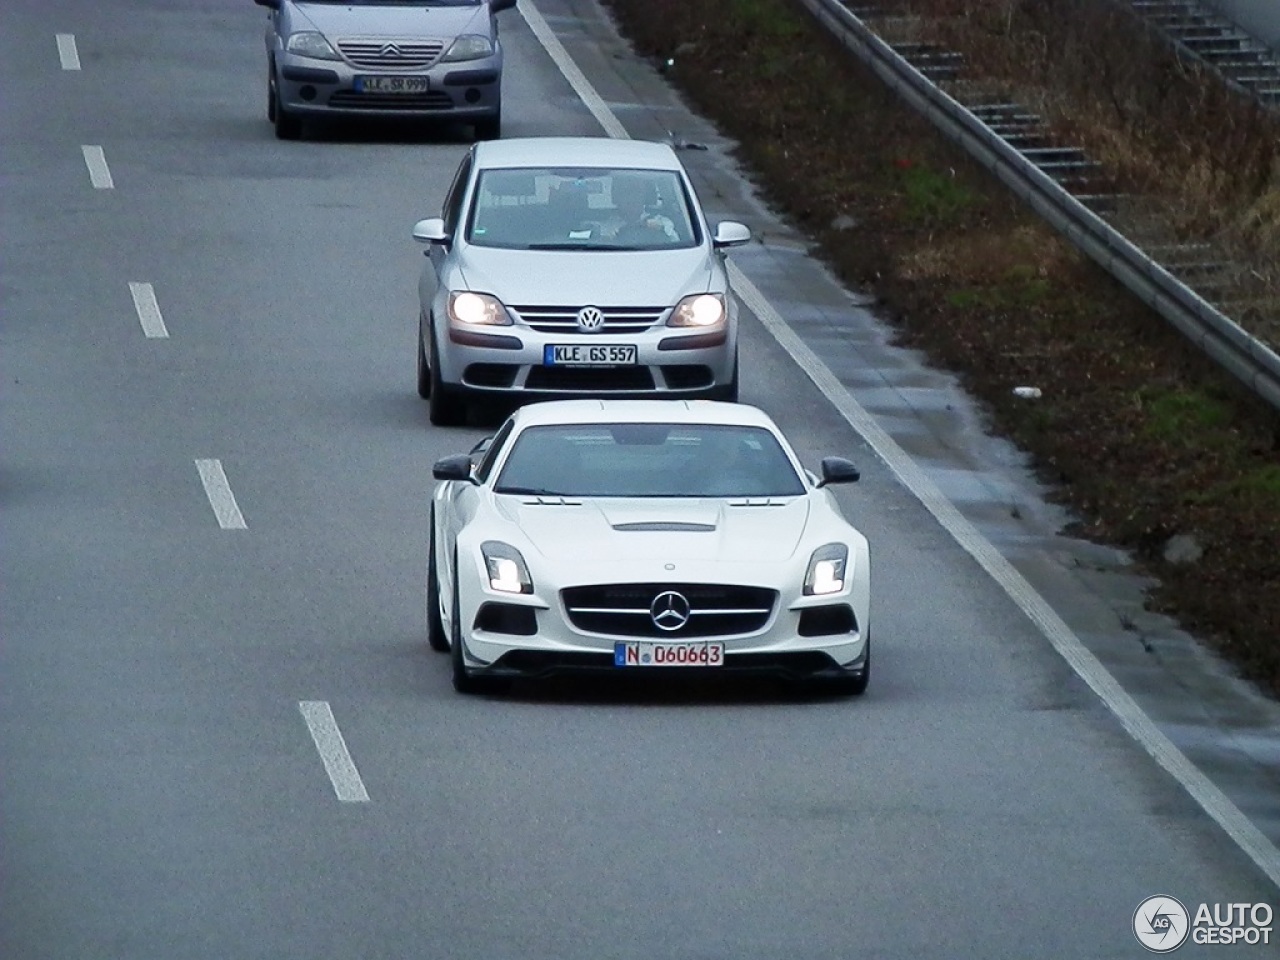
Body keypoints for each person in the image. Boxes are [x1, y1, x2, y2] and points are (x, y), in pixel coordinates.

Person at [605, 173, 679, 245]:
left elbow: (677, 243)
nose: (632, 198)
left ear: (645, 196)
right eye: (626, 192)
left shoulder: (662, 222)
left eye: (637, 192)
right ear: (617, 196)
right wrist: (609, 240)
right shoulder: (607, 227)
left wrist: (661, 230)